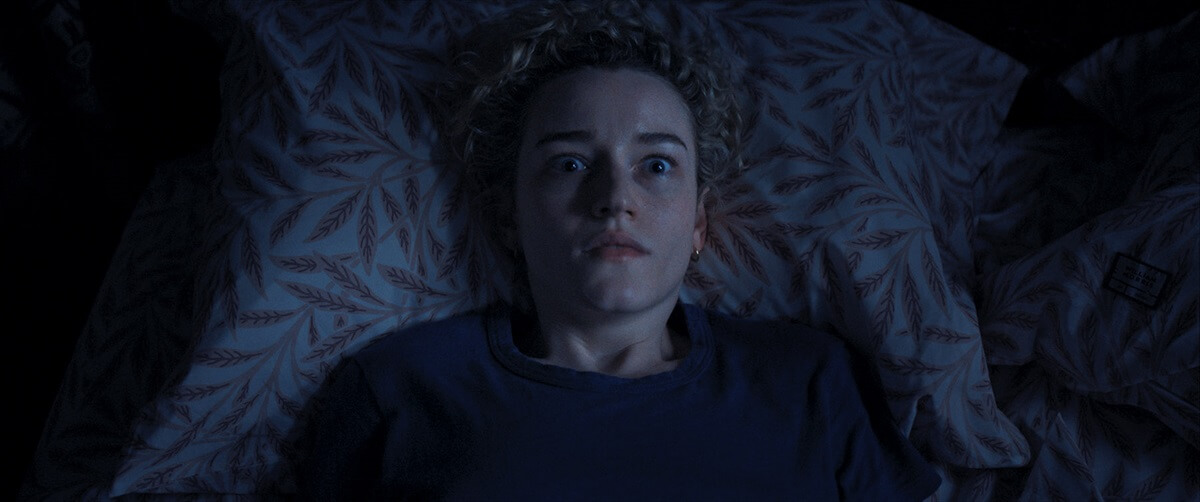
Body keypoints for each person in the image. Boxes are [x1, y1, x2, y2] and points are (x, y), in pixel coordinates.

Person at [295, 1, 941, 500]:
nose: (614, 199)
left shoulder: (808, 381)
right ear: (510, 215)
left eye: (656, 165)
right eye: (570, 163)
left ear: (699, 223)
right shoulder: (401, 389)